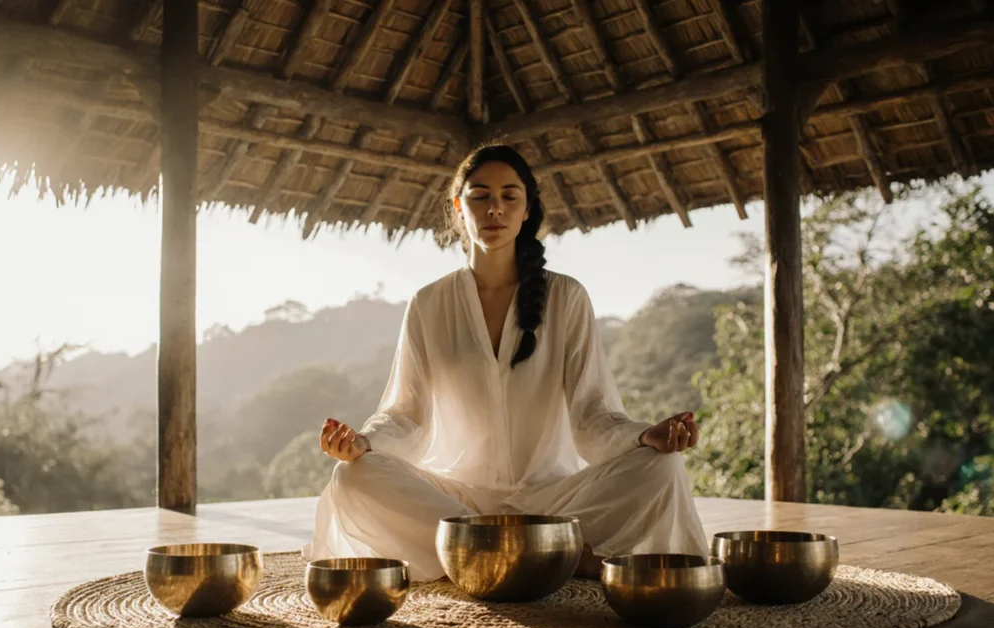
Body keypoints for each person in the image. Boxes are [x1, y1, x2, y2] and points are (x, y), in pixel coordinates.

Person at [302, 144, 708, 581]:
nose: (494, 208)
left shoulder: (566, 297)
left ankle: (484, 556)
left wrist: (645, 436)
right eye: (480, 196)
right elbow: (407, 416)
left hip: (554, 501)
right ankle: (550, 555)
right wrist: (363, 443)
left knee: (661, 466)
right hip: (456, 506)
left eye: (509, 196)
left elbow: (594, 418)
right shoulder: (429, 303)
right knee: (355, 477)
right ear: (459, 208)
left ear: (526, 208)